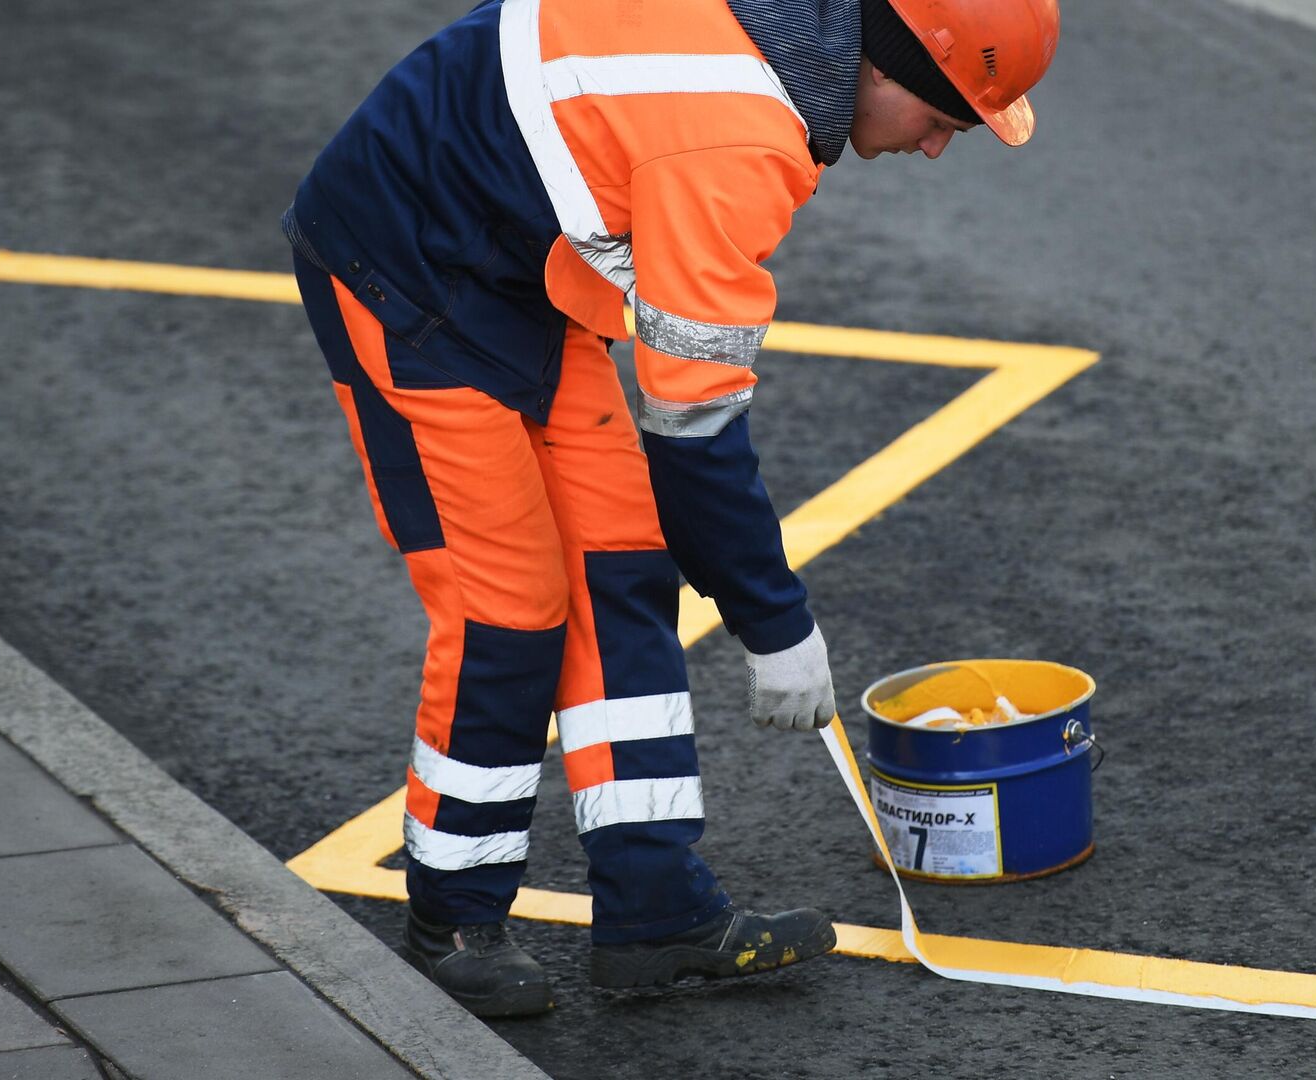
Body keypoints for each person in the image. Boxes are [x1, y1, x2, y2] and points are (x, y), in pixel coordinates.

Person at [283, 0, 1060, 1017]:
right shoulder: (739, 134)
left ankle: (656, 915)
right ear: (891, 59)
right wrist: (774, 622)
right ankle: (454, 920)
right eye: (947, 114)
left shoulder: (786, 54)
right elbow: (693, 430)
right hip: (401, 264)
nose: (938, 147)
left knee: (620, 563)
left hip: (515, 261)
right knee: (507, 605)